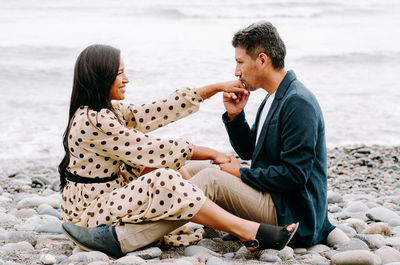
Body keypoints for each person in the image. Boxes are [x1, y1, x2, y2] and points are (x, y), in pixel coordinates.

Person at [59, 44, 298, 259]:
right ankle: (249, 231)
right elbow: (150, 149)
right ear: (101, 77)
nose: (126, 79)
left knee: (187, 170)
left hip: (109, 198)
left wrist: (215, 88)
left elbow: (160, 109)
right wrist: (211, 153)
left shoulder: (112, 111)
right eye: (120, 73)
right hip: (90, 214)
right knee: (165, 176)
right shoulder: (94, 120)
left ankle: (214, 218)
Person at [210, 21, 334, 246]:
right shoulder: (273, 96)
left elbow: (295, 175)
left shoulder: (297, 102)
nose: (236, 72)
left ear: (262, 60)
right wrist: (236, 116)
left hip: (292, 214)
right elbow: (249, 150)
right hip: (271, 197)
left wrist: (242, 174)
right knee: (192, 169)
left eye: (240, 62)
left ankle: (139, 234)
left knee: (210, 179)